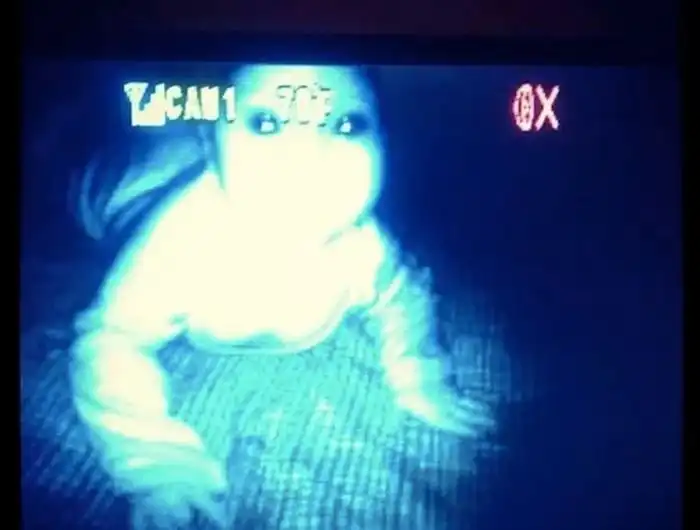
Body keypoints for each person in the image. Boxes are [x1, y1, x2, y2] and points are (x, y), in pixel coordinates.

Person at [70, 64, 494, 529]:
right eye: (267, 122)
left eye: (348, 124)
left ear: (386, 144)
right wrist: (155, 461)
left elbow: (402, 296)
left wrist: (418, 371)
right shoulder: (178, 242)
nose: (308, 153)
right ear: (212, 144)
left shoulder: (363, 245)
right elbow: (112, 337)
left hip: (204, 146)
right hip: (132, 194)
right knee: (100, 171)